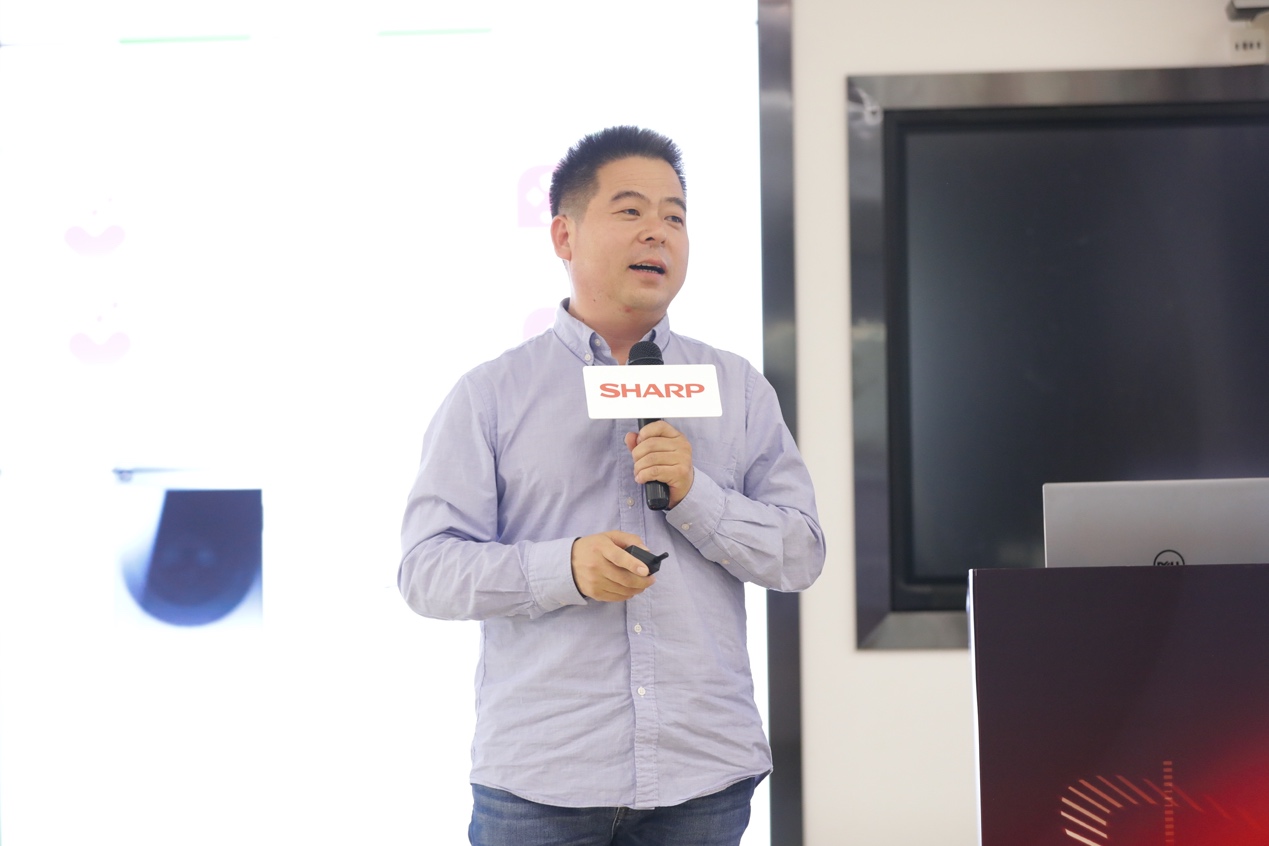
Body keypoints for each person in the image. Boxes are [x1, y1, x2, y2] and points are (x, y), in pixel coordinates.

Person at [398, 126, 825, 846]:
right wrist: (563, 568)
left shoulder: (737, 387)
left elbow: (800, 553)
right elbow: (426, 571)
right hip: (542, 780)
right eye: (630, 210)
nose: (657, 231)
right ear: (563, 236)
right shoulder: (491, 394)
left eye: (674, 216)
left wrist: (696, 496)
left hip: (702, 777)